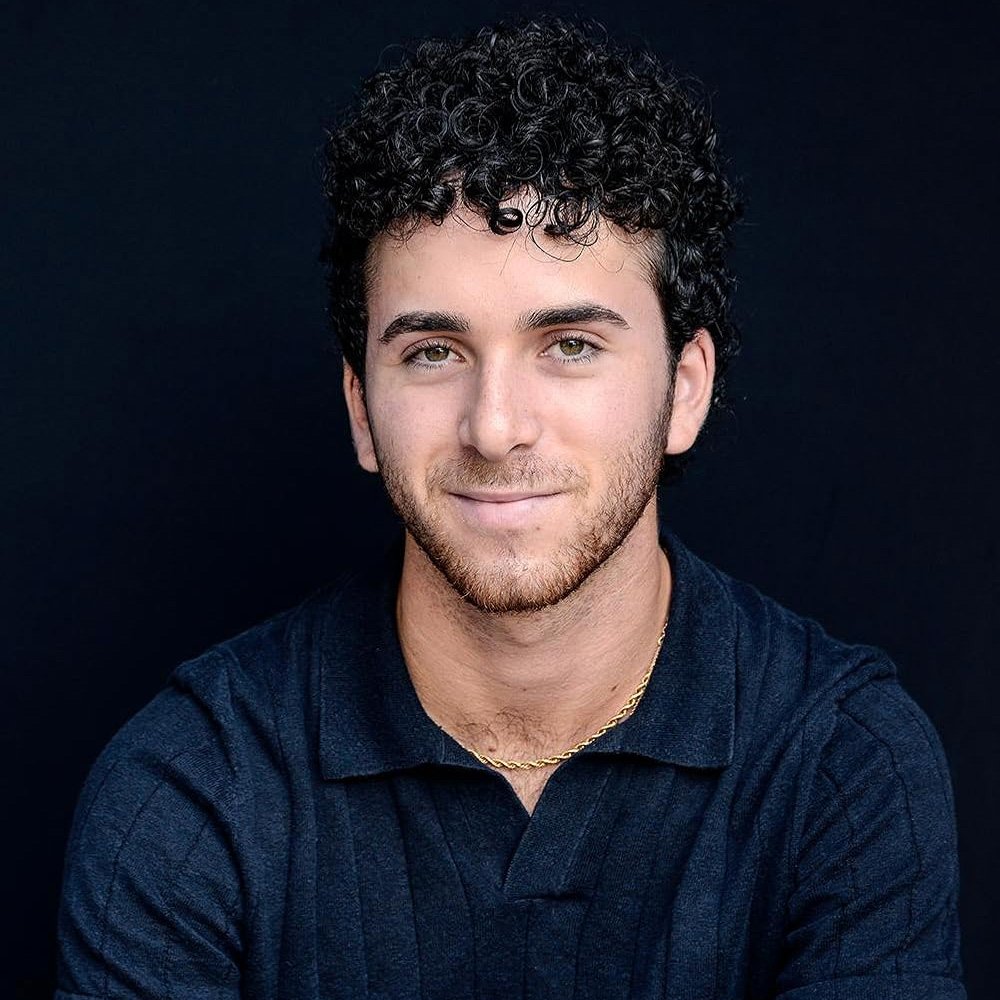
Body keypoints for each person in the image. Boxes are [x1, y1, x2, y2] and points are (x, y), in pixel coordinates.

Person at [55, 16, 965, 1000]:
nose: (494, 428)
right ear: (361, 409)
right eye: (432, 352)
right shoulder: (188, 787)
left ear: (685, 388)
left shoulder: (843, 764)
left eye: (570, 345)